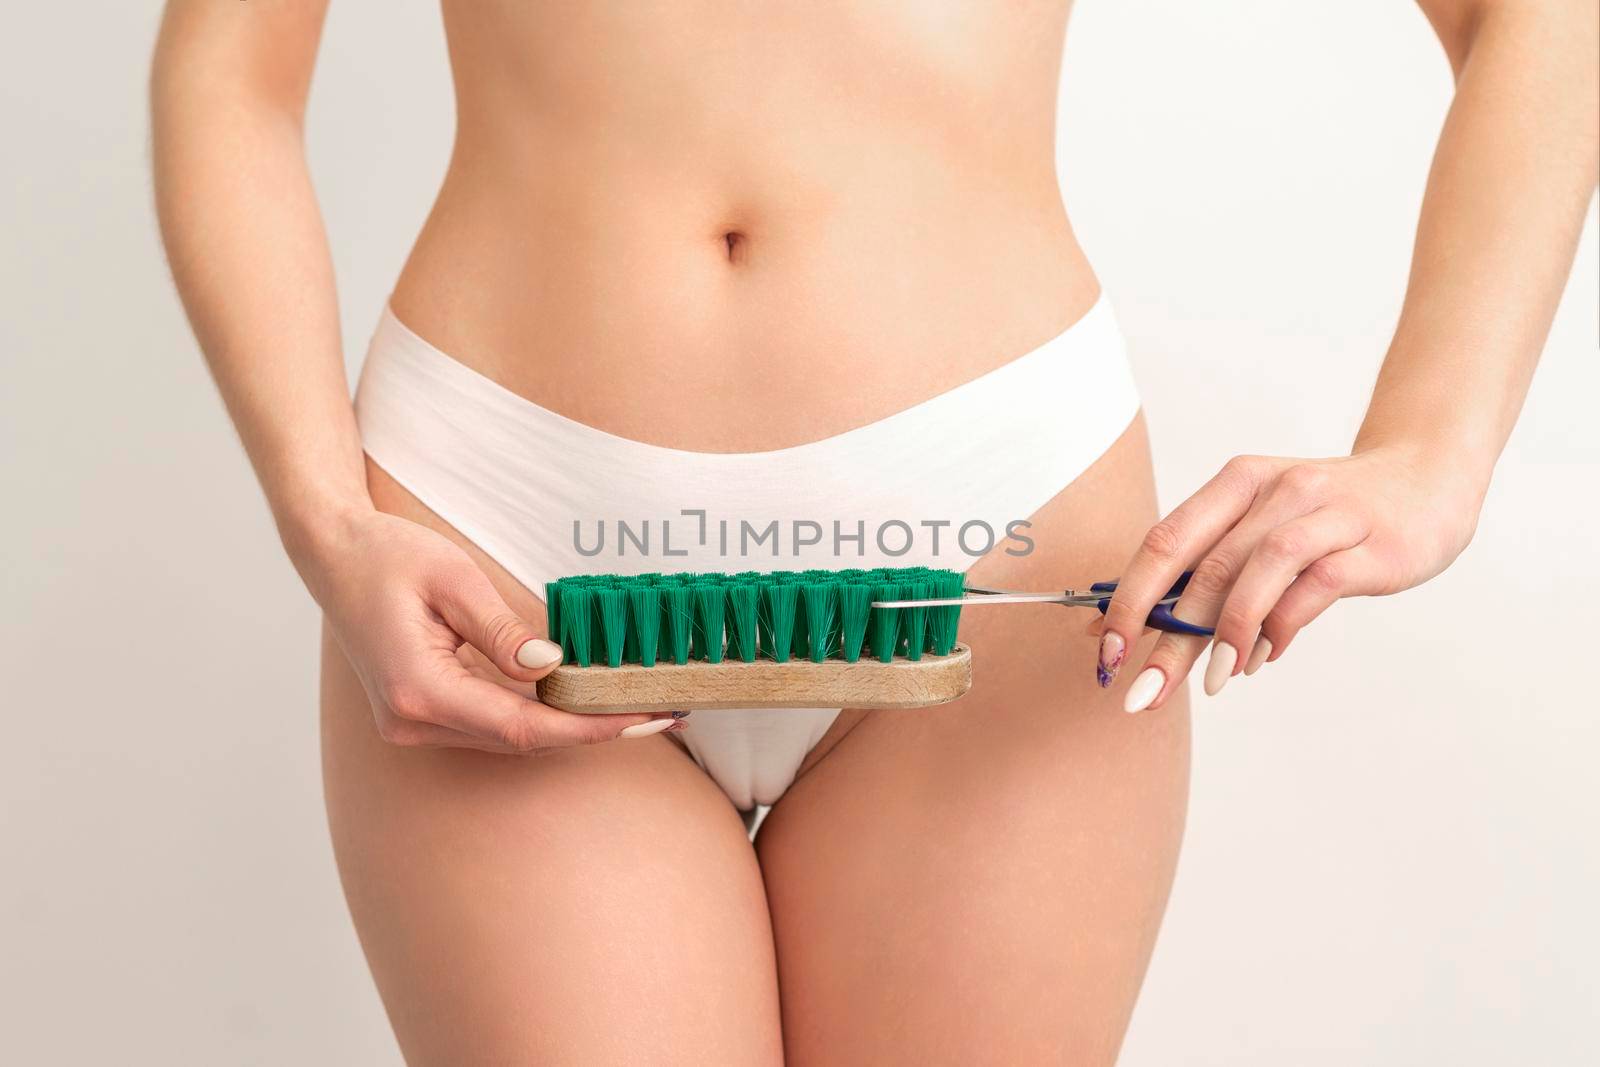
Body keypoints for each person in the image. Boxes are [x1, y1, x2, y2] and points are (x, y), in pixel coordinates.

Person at [150, 2, 1598, 1062]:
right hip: (505, 545)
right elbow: (232, 63)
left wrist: (1437, 451)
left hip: (1005, 559)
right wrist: (327, 520)